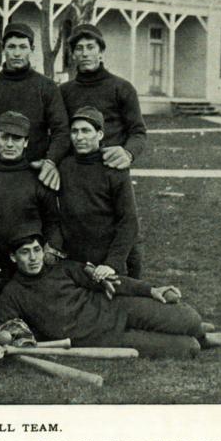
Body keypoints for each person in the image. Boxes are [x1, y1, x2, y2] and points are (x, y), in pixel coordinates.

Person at [0, 225, 221, 358]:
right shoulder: (12, 293)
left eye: (36, 250)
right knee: (189, 349)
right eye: (24, 252)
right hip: (102, 338)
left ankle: (198, 328)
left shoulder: (64, 268)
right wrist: (19, 339)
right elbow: (12, 329)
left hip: (118, 307)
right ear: (12, 256)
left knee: (190, 318)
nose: (32, 258)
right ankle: (202, 338)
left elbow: (110, 280)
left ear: (43, 251)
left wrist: (150, 289)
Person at [60, 24, 146, 277]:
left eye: (90, 47)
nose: (84, 53)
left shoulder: (121, 88)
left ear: (101, 52)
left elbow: (138, 132)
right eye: (79, 48)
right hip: (78, 174)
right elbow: (58, 131)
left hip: (112, 170)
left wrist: (128, 153)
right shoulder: (64, 92)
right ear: (73, 55)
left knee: (125, 230)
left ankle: (131, 285)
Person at [0, 23, 69, 191]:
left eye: (23, 47)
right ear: (3, 49)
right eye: (11, 47)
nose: (17, 53)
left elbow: (61, 130)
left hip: (35, 174)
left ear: (32, 49)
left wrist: (51, 161)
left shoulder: (46, 87)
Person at [0, 111, 63, 279]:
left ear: (26, 142)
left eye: (17, 138)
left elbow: (53, 222)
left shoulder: (38, 178)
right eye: (5, 137)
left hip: (30, 266)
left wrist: (48, 253)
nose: (10, 144)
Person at [59, 106, 139, 278]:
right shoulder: (65, 166)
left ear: (100, 134)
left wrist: (112, 263)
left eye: (86, 131)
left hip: (107, 260)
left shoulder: (113, 168)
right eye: (74, 131)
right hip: (75, 258)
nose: (79, 137)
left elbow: (129, 221)